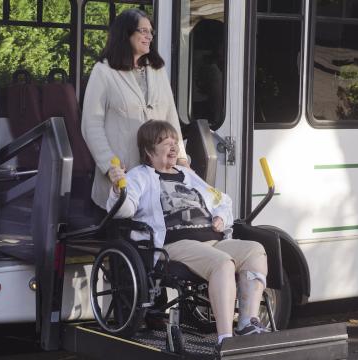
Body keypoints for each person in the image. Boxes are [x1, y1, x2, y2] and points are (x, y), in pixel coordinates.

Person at [108, 120, 269, 345]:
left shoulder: (186, 174)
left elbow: (220, 199)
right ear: (148, 150)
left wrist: (221, 217)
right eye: (165, 142)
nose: (173, 147)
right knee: (223, 263)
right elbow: (124, 210)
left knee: (255, 251)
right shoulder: (140, 176)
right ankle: (226, 338)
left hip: (212, 240)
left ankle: (247, 323)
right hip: (176, 244)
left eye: (175, 141)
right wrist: (118, 188)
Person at [82, 9, 188, 209]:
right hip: (121, 178)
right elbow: (91, 125)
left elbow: (171, 118)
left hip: (159, 177)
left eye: (151, 32)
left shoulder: (158, 70)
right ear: (126, 33)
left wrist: (181, 157)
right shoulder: (103, 72)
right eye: (143, 31)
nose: (149, 36)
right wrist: (109, 166)